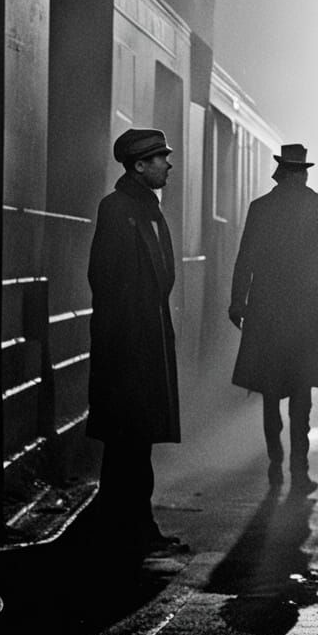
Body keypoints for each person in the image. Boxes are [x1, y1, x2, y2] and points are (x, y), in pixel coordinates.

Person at [229, 144, 318, 493]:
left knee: (270, 391)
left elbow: (246, 257)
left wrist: (237, 302)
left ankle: (275, 463)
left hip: (268, 312)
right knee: (302, 392)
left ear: (281, 172)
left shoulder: (261, 209)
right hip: (309, 313)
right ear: (302, 172)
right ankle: (299, 468)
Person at [87, 127, 186, 564]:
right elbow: (105, 278)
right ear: (139, 165)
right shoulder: (119, 209)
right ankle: (124, 530)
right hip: (128, 346)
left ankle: (133, 527)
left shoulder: (145, 208)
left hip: (143, 341)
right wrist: (128, 337)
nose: (168, 164)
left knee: (134, 443)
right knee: (127, 443)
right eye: (160, 158)